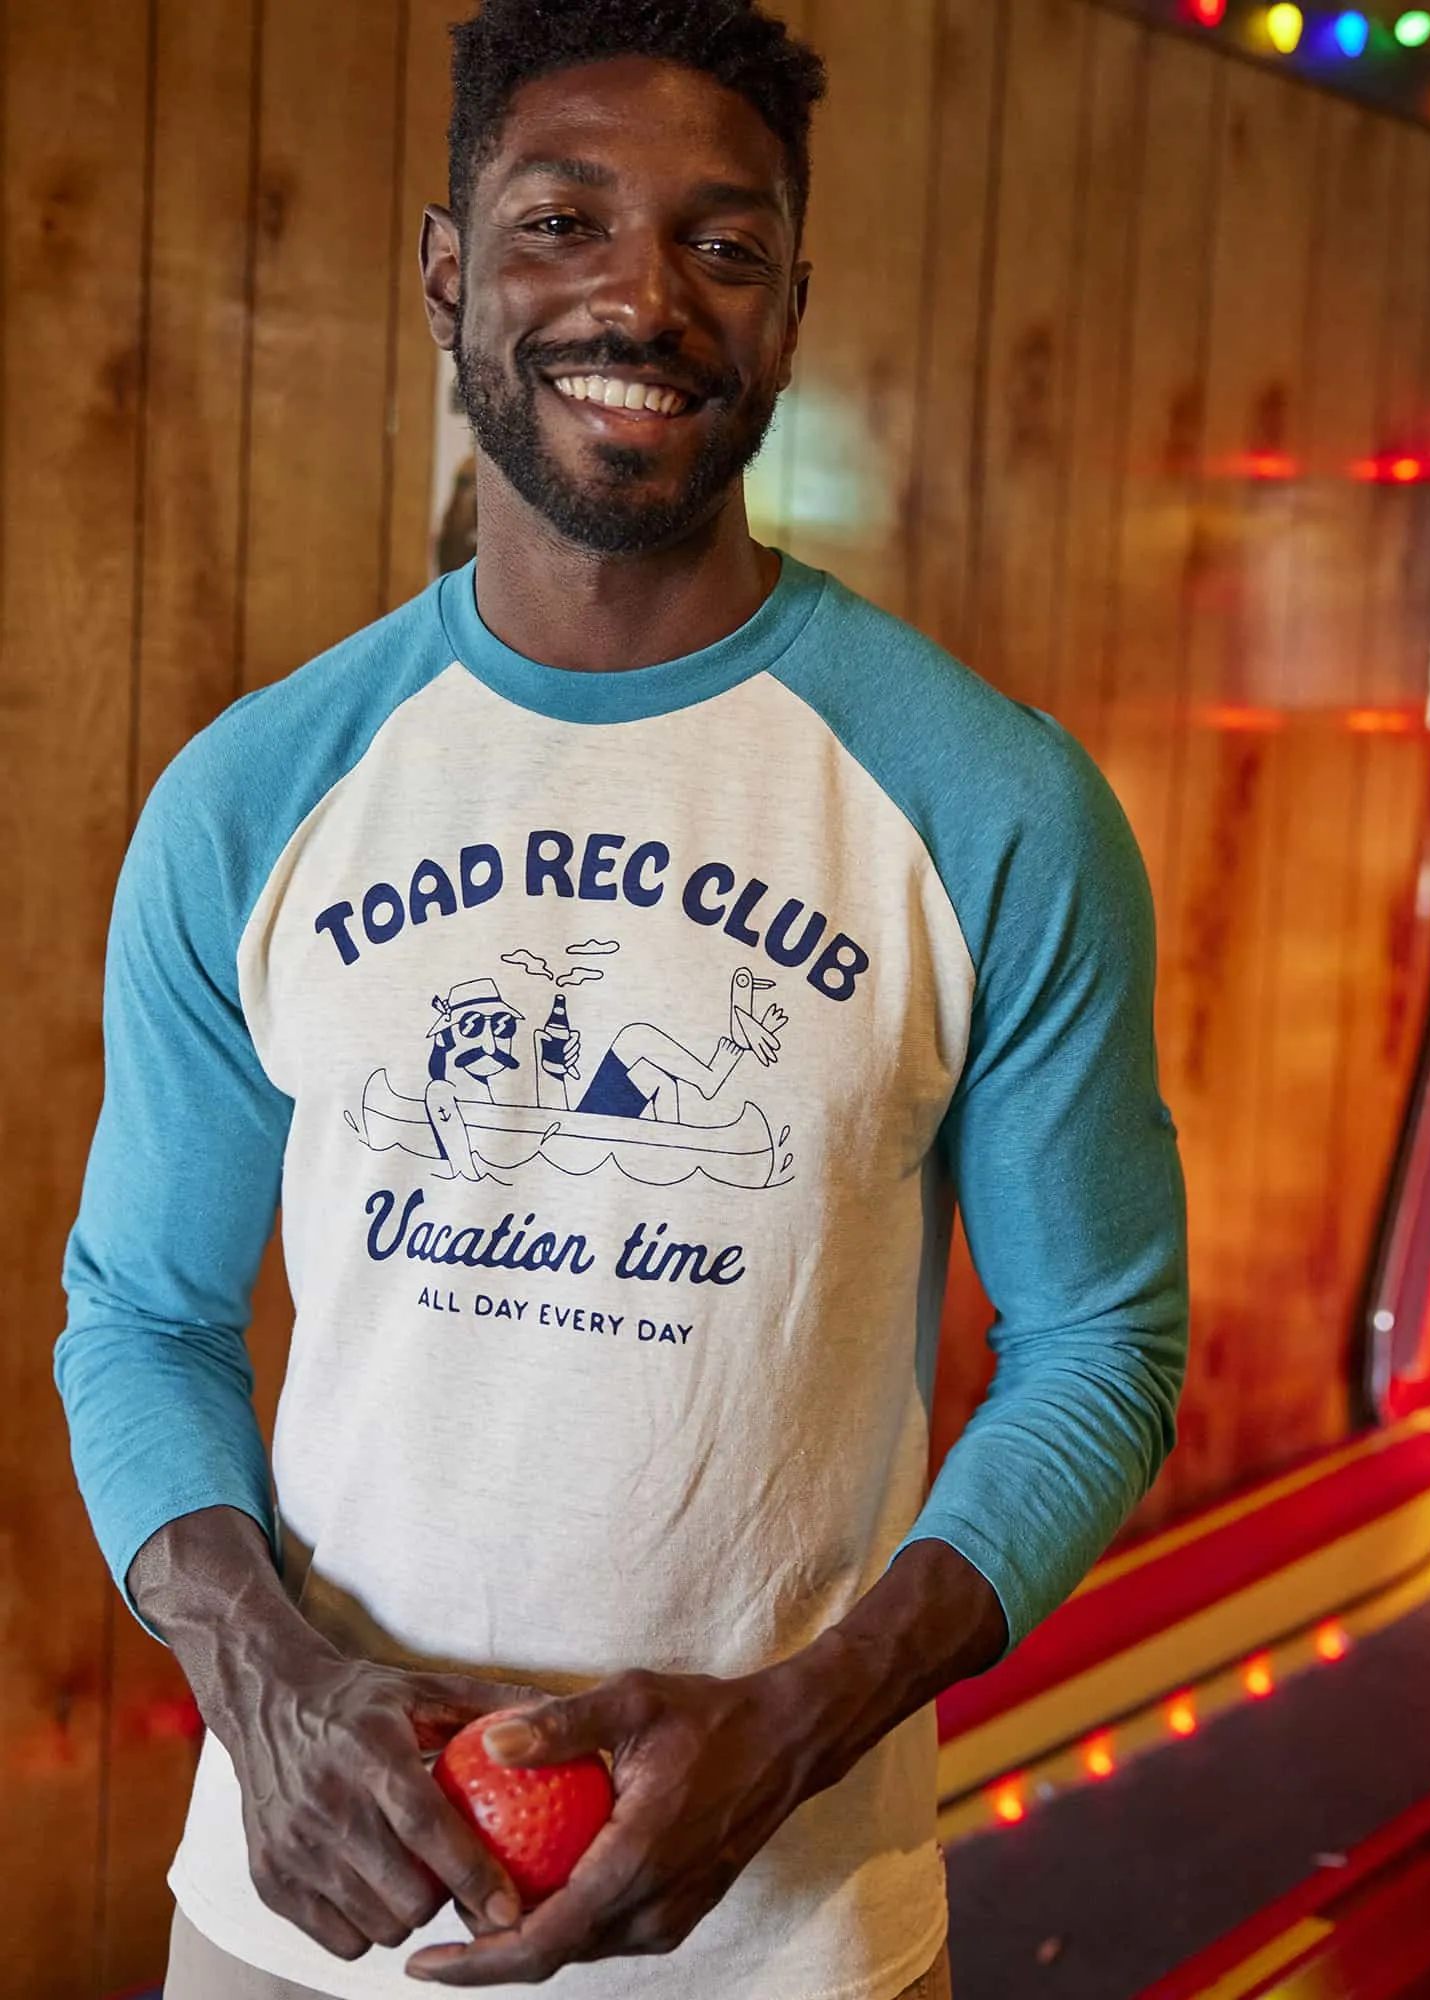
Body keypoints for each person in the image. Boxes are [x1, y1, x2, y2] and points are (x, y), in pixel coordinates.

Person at [55, 3, 1189, 1995]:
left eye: (722, 244)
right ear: (447, 271)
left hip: (793, 1939)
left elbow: (1100, 1338)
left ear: (790, 306)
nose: (643, 296)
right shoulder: (255, 793)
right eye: (562, 221)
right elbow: (139, 1316)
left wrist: (810, 1712)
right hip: (300, 1916)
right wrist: (267, 1672)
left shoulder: (994, 801)